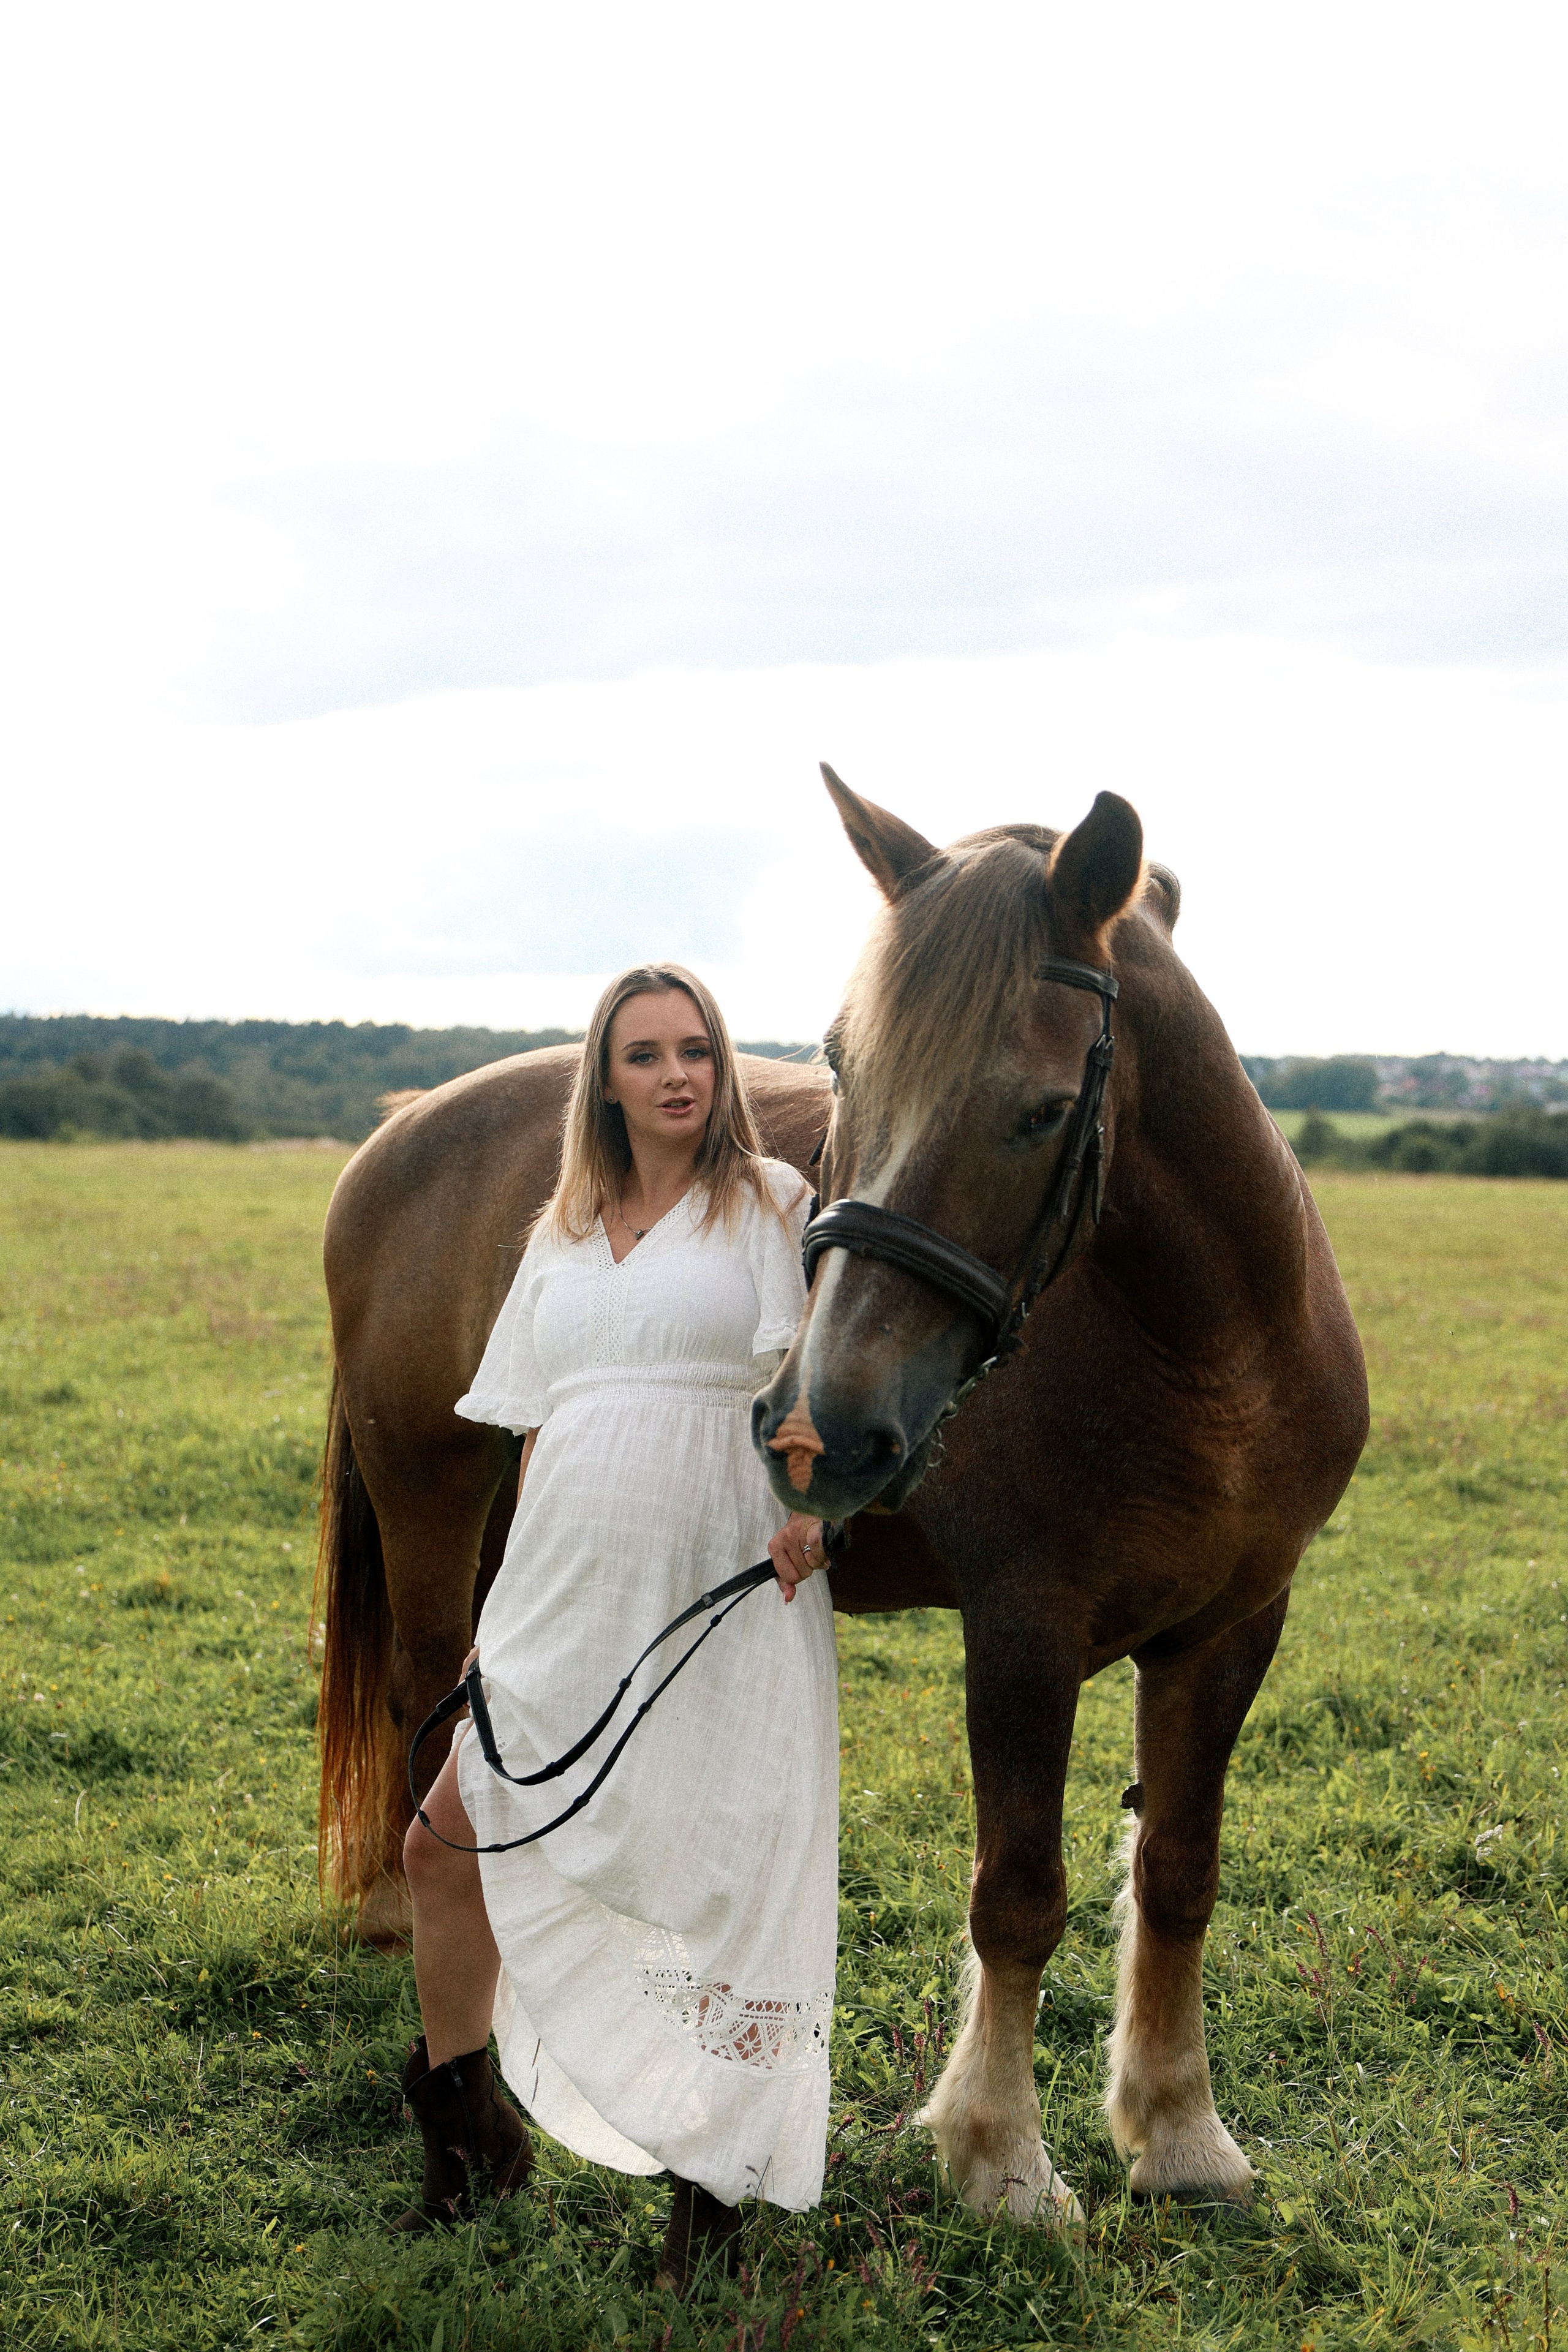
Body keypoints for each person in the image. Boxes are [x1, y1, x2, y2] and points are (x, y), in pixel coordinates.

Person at [397, 962, 836, 2291]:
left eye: (696, 1049)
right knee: (438, 1846)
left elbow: (814, 1386)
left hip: (716, 1582)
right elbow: (543, 1430)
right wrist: (496, 1610)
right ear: (606, 1076)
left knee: (716, 1880)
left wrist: (813, 1508)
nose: (677, 1075)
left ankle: (714, 2196)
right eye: (644, 1054)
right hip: (558, 1581)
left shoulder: (773, 1205)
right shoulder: (564, 1229)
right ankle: (467, 2141)